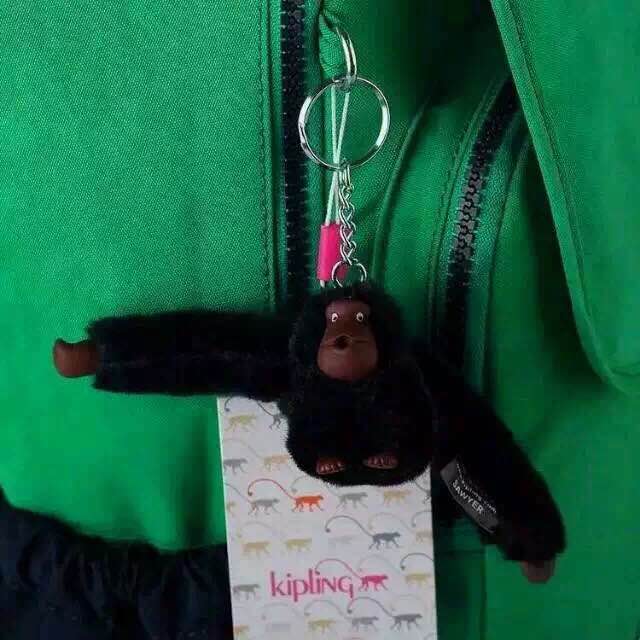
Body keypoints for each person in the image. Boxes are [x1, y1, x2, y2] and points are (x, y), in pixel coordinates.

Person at [2, 1, 639, 639]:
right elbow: (200, 351)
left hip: (457, 555)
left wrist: (524, 535)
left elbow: (472, 450)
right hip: (63, 510)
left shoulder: (387, 376)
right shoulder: (376, 370)